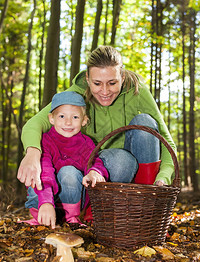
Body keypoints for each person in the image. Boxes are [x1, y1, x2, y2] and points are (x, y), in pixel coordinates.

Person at [17, 45, 176, 220]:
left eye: (112, 83)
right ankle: (96, 209)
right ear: (87, 79)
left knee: (144, 124)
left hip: (129, 173)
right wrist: (32, 152)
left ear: (121, 76)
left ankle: (147, 210)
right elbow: (35, 123)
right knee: (119, 160)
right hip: (91, 168)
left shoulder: (137, 91)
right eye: (97, 83)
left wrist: (164, 176)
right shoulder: (76, 95)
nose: (105, 91)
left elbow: (166, 139)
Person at [22, 91, 108, 228]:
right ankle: (40, 215)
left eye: (75, 117)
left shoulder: (86, 143)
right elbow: (45, 171)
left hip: (71, 196)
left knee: (69, 172)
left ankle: (71, 218)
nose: (68, 122)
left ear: (84, 120)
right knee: (36, 174)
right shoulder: (45, 140)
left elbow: (95, 161)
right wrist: (46, 202)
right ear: (51, 119)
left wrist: (94, 171)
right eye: (62, 116)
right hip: (45, 196)